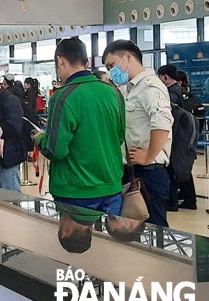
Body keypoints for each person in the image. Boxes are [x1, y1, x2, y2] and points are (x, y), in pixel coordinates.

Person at [34, 37, 125, 215]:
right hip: (111, 186)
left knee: (76, 241)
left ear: (60, 61)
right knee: (108, 241)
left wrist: (40, 138)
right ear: (87, 62)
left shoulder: (62, 96)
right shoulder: (113, 92)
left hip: (75, 191)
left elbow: (55, 149)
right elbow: (119, 136)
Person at [103, 40, 173, 227]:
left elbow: (162, 122)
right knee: (134, 230)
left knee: (155, 230)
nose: (111, 72)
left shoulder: (151, 87)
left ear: (127, 57)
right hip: (133, 173)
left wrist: (149, 155)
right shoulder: (130, 88)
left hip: (148, 174)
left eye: (112, 65)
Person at [158, 64, 199, 211]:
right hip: (187, 134)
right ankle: (189, 199)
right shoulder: (183, 91)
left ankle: (173, 202)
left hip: (176, 135)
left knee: (173, 167)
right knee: (184, 167)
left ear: (165, 77)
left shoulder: (170, 93)